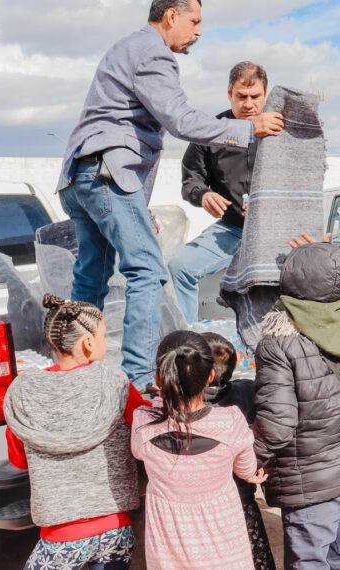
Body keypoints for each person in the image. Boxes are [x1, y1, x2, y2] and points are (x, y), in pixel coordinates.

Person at [55, 0, 284, 390]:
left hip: (83, 175)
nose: (198, 31)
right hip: (109, 175)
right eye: (195, 22)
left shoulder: (127, 47)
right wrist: (249, 130)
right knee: (148, 270)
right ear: (171, 16)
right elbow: (179, 119)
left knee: (91, 276)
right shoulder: (153, 53)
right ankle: (142, 380)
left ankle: (75, 369)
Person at [3, 295, 147, 570]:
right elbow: (143, 435)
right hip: (116, 530)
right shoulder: (115, 384)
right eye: (104, 336)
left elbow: (19, 461)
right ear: (88, 343)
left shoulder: (25, 394)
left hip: (60, 537)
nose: (105, 342)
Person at [252, 242, 340, 569]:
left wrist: (254, 457)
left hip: (311, 484)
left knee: (310, 562)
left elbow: (277, 423)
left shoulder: (278, 339)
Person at [132, 330, 267, 569]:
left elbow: (138, 453)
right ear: (210, 376)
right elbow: (246, 468)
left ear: (159, 379)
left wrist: (158, 397)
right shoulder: (231, 421)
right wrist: (251, 475)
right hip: (224, 550)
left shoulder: (143, 422)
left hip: (169, 551)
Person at [169, 61, 268, 323]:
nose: (248, 104)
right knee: (180, 267)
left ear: (265, 95)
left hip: (276, 232)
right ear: (229, 94)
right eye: (241, 96)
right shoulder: (211, 131)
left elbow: (303, 183)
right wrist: (202, 195)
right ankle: (186, 345)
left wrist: (270, 206)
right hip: (233, 229)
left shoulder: (282, 130)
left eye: (255, 97)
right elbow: (190, 181)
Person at [202, 332, 275, 570]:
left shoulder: (186, 407)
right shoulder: (245, 391)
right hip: (243, 500)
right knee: (255, 558)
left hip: (204, 509)